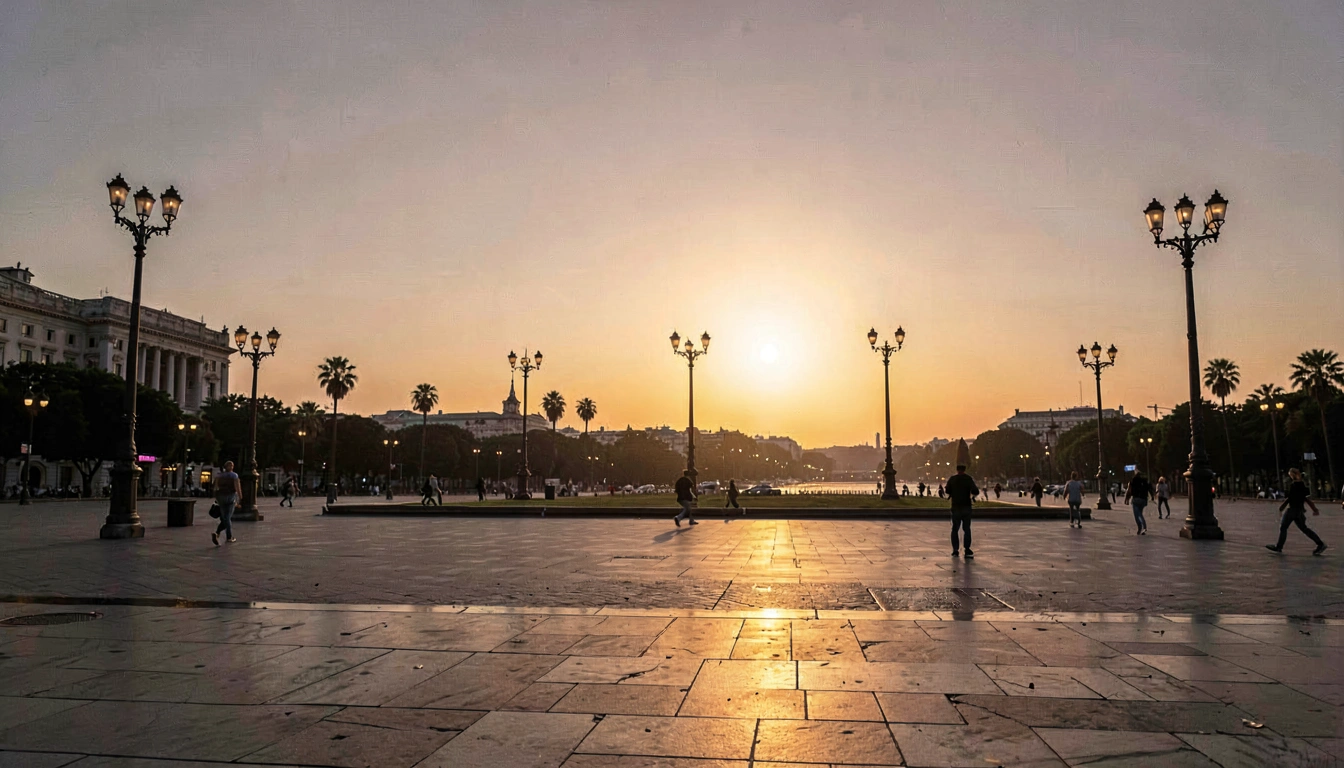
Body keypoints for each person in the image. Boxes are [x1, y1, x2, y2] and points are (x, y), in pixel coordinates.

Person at [1266, 468, 1327, 555]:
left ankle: (1279, 547)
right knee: (1304, 529)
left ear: (1293, 475)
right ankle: (1320, 544)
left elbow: (1290, 498)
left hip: (1292, 510)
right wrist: (1314, 509)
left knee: (1283, 527)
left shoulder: (1294, 485)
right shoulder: (1302, 485)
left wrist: (1282, 507)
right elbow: (1306, 499)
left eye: (1290, 475)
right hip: (1299, 511)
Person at [946, 445, 979, 559]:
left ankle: (955, 550)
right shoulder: (968, 479)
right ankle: (967, 549)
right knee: (967, 529)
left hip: (955, 506)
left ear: (957, 469)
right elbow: (976, 491)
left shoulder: (952, 479)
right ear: (964, 469)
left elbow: (947, 490)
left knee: (955, 529)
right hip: (966, 506)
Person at [212, 460, 241, 546]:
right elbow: (237, 488)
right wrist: (240, 498)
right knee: (228, 518)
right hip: (230, 497)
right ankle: (229, 537)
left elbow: (215, 488)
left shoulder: (219, 475)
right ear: (230, 467)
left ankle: (217, 533)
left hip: (221, 497)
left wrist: (216, 498)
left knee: (224, 518)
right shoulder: (234, 475)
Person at [1125, 471, 1152, 535]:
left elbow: (1129, 491)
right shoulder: (1145, 482)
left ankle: (1141, 527)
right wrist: (1152, 496)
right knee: (1140, 513)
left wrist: (1127, 499)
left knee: (1137, 515)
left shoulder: (1132, 481)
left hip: (1136, 499)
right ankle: (1143, 527)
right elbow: (1149, 489)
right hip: (1143, 500)